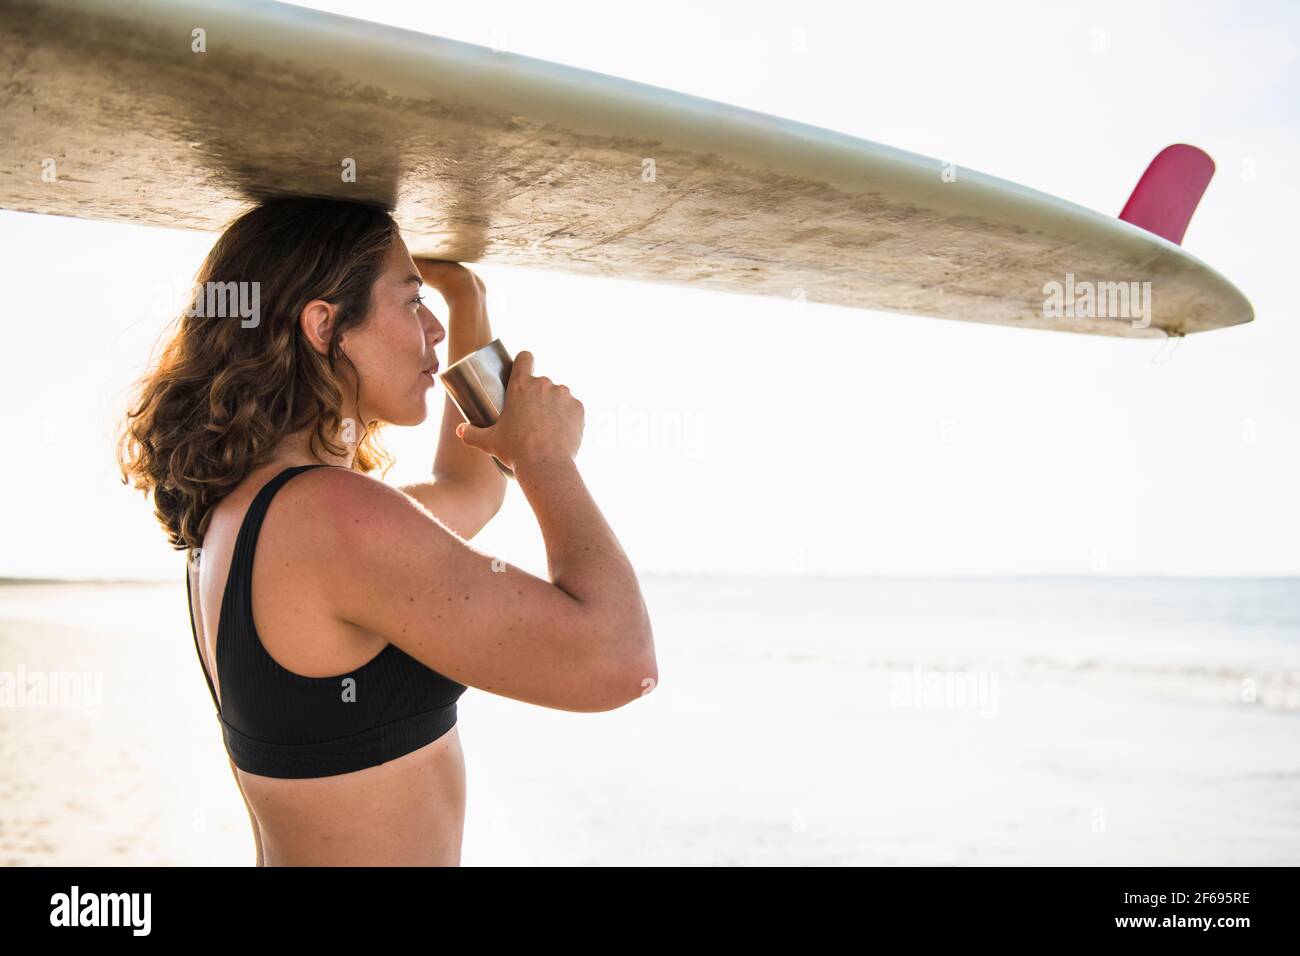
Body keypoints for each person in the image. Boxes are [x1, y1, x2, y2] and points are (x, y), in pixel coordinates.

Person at [116, 197, 657, 866]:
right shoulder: (332, 517)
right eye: (411, 303)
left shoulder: (257, 509)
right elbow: (621, 665)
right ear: (324, 325)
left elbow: (472, 490)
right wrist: (546, 458)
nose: (431, 329)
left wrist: (467, 300)